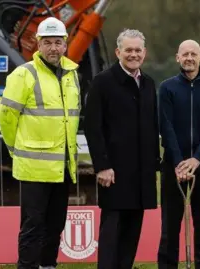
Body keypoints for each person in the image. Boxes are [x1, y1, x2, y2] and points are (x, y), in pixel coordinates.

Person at [0, 17, 80, 269]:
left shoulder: (72, 74)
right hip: (34, 168)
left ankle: (48, 266)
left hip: (62, 168)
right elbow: (6, 117)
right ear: (37, 44)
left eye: (58, 42)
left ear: (65, 44)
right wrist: (17, 149)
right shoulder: (24, 74)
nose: (53, 48)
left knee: (55, 226)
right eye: (47, 43)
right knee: (33, 227)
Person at [83, 28, 160, 269]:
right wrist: (102, 166)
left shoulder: (148, 84)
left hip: (141, 176)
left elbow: (151, 125)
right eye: (128, 50)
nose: (133, 54)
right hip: (113, 174)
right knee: (112, 235)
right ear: (118, 52)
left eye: (138, 50)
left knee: (131, 235)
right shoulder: (102, 82)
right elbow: (92, 128)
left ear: (144, 53)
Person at [157, 39, 200, 269]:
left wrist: (197, 159)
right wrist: (179, 162)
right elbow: (166, 126)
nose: (189, 58)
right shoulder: (167, 88)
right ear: (177, 57)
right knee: (169, 228)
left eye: (194, 54)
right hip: (172, 166)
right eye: (185, 54)